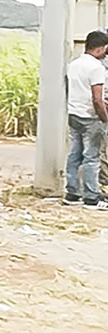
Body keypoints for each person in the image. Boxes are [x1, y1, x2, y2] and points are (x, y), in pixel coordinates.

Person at [65, 29, 108, 209]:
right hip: (90, 117)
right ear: (101, 48)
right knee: (91, 157)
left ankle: (72, 193)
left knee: (74, 155)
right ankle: (91, 197)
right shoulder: (97, 68)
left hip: (74, 114)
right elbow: (97, 100)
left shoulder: (73, 64)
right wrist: (104, 119)